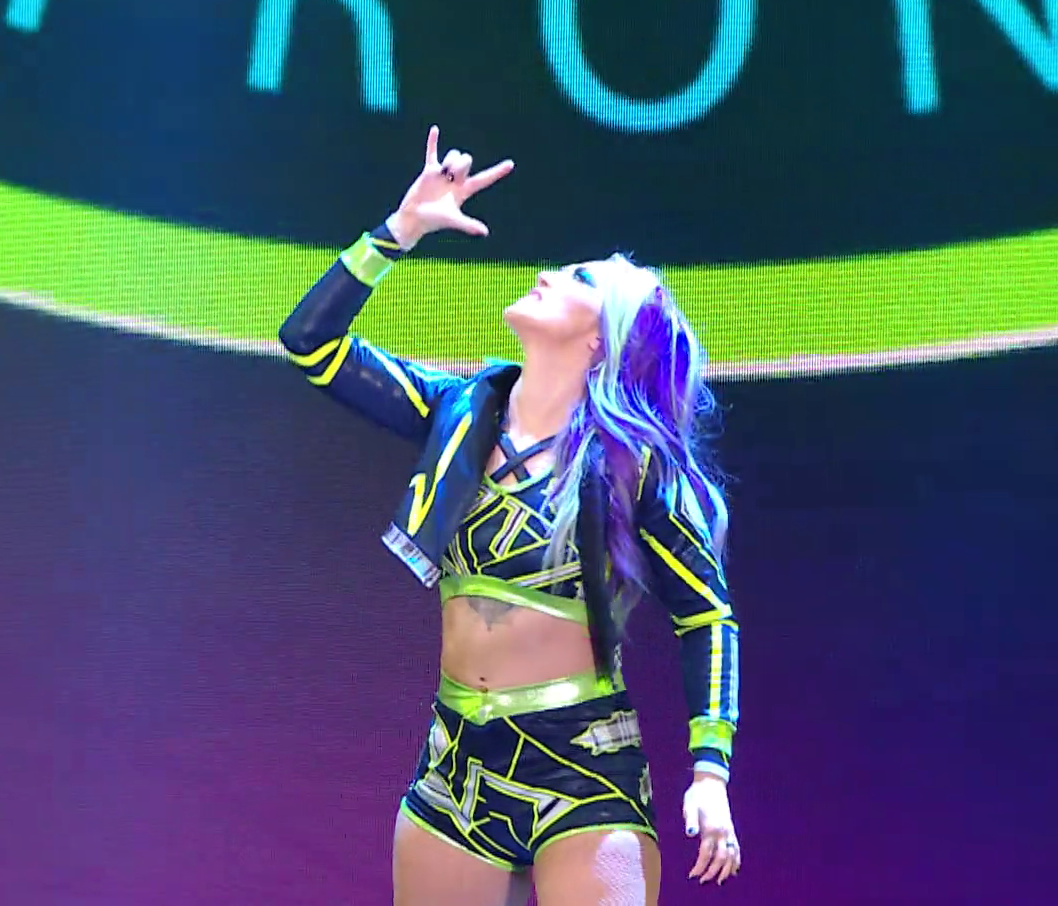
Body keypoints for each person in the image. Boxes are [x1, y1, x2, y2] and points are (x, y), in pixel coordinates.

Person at [278, 128, 743, 906]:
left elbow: (707, 615)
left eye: (578, 277)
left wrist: (710, 770)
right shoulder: (460, 413)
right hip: (455, 766)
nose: (546, 273)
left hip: (583, 768)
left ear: (602, 340)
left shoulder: (633, 468)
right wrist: (400, 230)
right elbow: (311, 344)